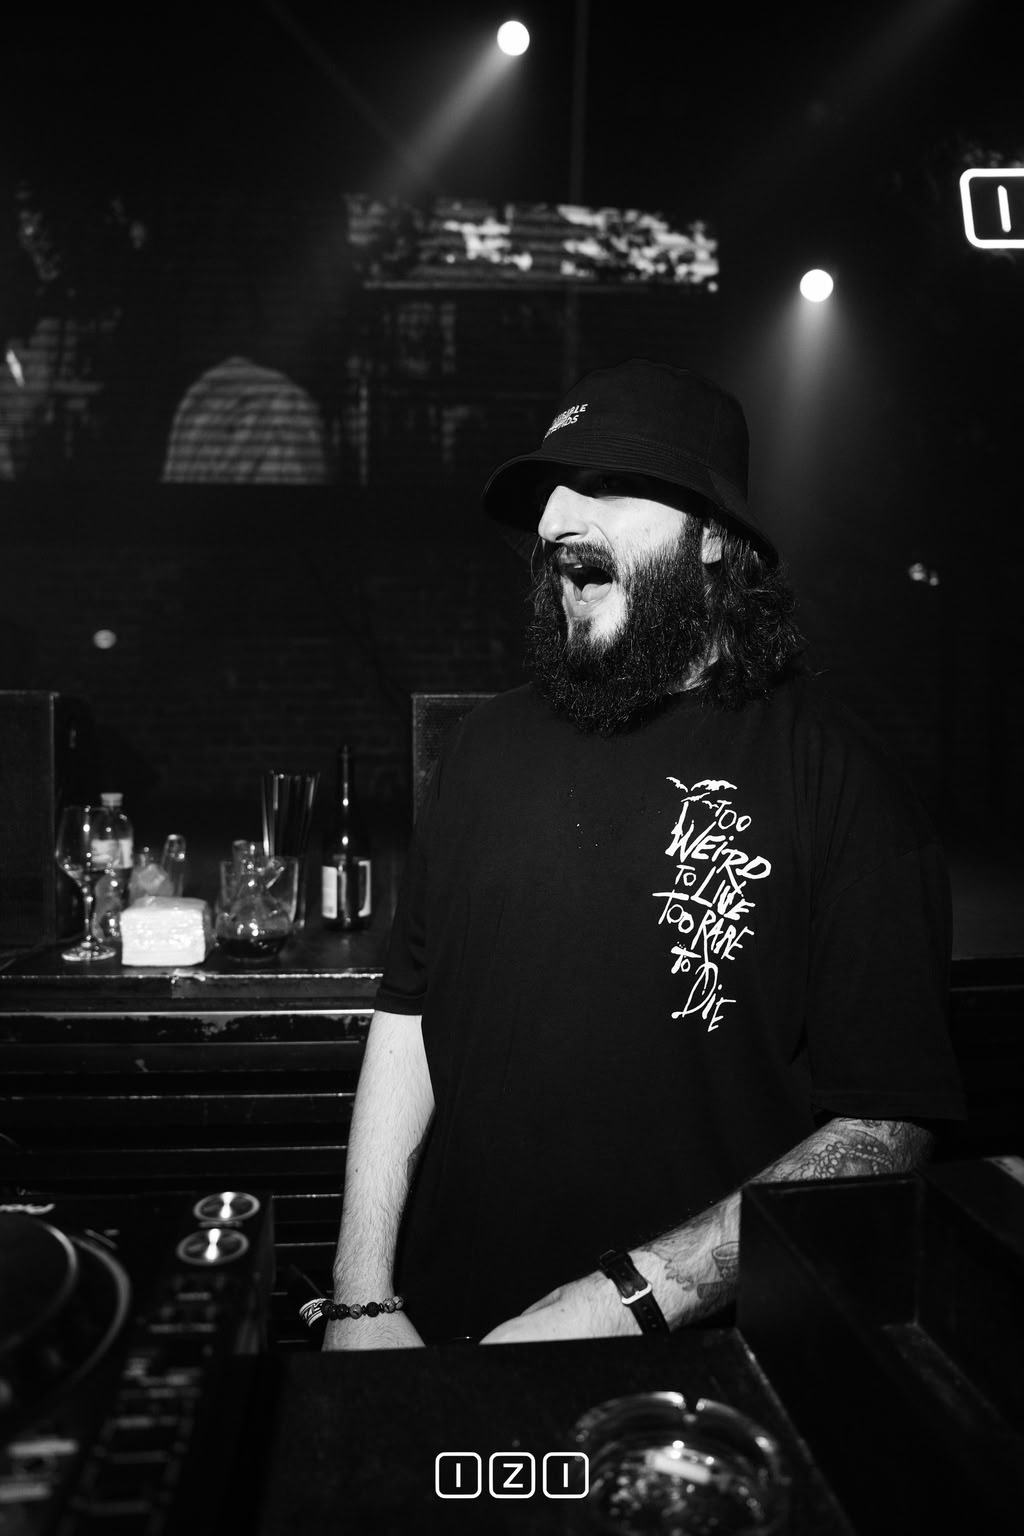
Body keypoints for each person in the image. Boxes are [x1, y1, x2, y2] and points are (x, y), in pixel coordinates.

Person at [321, 358, 965, 1351]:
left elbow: (885, 1128)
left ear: (715, 537)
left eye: (609, 484)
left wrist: (615, 1304)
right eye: (550, 493)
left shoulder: (840, 778)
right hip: (431, 1341)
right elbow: (407, 1019)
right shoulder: (481, 748)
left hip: (693, 1362)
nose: (553, 522)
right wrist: (362, 1292)